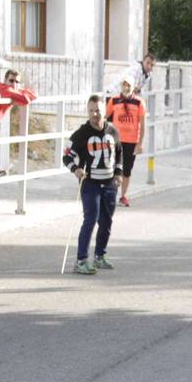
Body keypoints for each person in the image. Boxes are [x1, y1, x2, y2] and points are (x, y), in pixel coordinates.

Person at [62, 95, 122, 275]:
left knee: (106, 221)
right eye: (91, 111)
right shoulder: (81, 134)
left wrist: (118, 174)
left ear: (105, 111)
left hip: (110, 183)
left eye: (98, 110)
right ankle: (81, 260)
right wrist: (76, 169)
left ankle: (100, 255)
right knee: (91, 219)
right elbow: (66, 155)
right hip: (90, 184)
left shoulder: (112, 131)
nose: (95, 114)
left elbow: (119, 154)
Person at [0, 69, 38, 178]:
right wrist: (19, 94)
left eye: (17, 82)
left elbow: (34, 94)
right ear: (5, 80)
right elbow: (26, 100)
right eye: (11, 80)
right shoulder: (4, 89)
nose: (14, 84)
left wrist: (19, 92)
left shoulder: (9, 90)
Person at [105, 76, 145, 206]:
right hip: (116, 140)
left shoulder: (139, 103)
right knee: (113, 167)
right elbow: (105, 117)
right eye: (124, 85)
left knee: (127, 170)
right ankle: (111, 193)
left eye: (128, 85)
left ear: (133, 87)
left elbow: (143, 123)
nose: (126, 88)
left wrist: (140, 143)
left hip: (131, 141)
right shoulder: (114, 100)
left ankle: (123, 196)